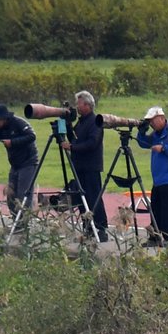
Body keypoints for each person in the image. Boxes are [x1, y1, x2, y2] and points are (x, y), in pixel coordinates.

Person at [62, 90, 108, 242]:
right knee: (82, 198)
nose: (77, 107)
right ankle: (88, 227)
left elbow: (92, 143)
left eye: (79, 104)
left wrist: (72, 148)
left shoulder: (95, 122)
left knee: (94, 197)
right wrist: (67, 123)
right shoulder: (81, 122)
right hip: (79, 165)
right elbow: (73, 138)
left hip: (91, 166)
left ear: (88, 105)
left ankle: (101, 228)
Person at [136, 106, 168, 245]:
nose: (151, 123)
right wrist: (141, 131)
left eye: (153, 120)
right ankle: (155, 237)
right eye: (149, 121)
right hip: (159, 179)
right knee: (156, 207)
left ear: (162, 118)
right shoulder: (156, 134)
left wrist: (164, 148)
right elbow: (144, 143)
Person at [0, 104, 38, 226]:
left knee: (23, 194)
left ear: (4, 118)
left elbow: (32, 136)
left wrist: (12, 142)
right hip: (15, 164)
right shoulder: (1, 128)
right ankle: (16, 222)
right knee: (10, 194)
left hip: (28, 162)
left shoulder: (18, 123)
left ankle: (23, 224)